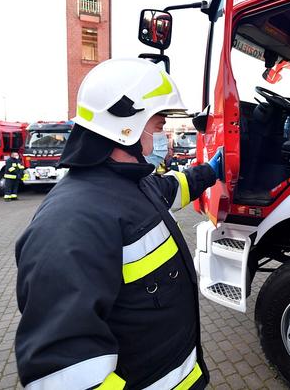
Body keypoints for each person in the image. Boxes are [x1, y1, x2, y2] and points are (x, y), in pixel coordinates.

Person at [14, 57, 223, 390]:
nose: (163, 137)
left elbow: (174, 188)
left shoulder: (133, 185)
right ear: (127, 126)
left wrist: (211, 171)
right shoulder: (70, 224)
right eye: (158, 126)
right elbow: (65, 374)